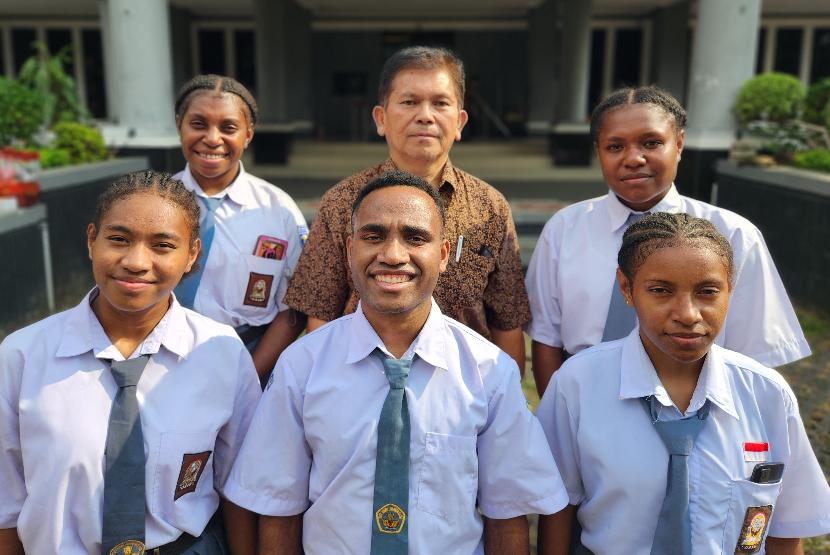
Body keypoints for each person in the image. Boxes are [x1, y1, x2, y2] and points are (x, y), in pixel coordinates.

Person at [225, 171, 568, 554]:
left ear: (441, 255)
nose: (392, 255)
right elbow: (278, 508)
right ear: (349, 249)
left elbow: (507, 514)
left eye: (415, 237)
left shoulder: (488, 370)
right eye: (373, 236)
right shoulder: (302, 367)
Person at [535, 212, 830, 555]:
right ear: (626, 289)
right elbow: (556, 510)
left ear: (730, 290)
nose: (688, 314)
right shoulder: (577, 386)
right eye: (661, 291)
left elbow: (785, 529)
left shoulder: (767, 394)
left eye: (707, 292)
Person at [0, 171, 261, 555]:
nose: (137, 262)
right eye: (119, 239)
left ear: (191, 255)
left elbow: (240, 485)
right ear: (91, 240)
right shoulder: (22, 355)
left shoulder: (221, 352)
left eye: (162, 245)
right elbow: (6, 502)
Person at [525, 85, 810, 396]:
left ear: (679, 143)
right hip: (587, 401)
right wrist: (556, 422)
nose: (633, 158)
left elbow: (757, 356)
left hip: (697, 404)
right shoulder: (564, 229)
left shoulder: (734, 234)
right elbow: (546, 338)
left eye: (651, 142)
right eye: (615, 146)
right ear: (598, 152)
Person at [283, 46, 530, 373]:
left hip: (464, 391)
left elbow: (507, 321)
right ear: (381, 119)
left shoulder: (490, 208)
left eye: (440, 103)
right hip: (359, 382)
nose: (425, 115)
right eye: (409, 102)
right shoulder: (342, 202)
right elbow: (321, 316)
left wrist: (510, 402)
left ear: (460, 121)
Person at [173, 74, 307, 379]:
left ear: (248, 134)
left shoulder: (278, 210)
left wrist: (249, 376)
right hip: (160, 363)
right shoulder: (153, 201)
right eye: (198, 124)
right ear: (179, 124)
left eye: (228, 127)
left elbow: (294, 308)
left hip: (246, 359)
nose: (212, 138)